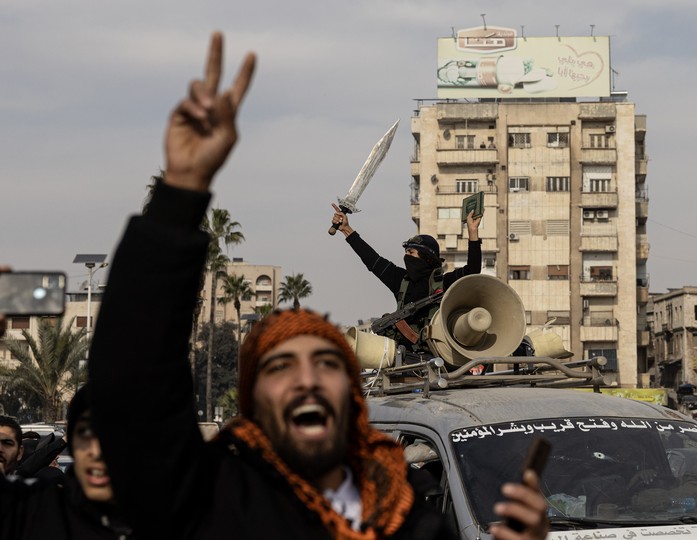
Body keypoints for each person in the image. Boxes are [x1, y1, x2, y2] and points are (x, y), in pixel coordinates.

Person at [87, 32, 547, 540]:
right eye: (282, 367)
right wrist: (180, 196)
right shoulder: (214, 502)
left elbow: (475, 279)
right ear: (255, 402)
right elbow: (131, 382)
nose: (306, 383)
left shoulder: (409, 514)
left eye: (325, 365)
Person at [331, 200, 482, 357]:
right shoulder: (400, 280)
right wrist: (347, 230)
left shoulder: (443, 282)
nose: (406, 257)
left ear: (427, 258)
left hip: (438, 355)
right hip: (405, 357)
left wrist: (472, 232)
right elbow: (372, 260)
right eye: (406, 252)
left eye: (411, 253)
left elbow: (472, 270)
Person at [0, 385, 134, 539]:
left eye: (112, 435)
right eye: (84, 432)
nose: (96, 452)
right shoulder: (36, 508)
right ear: (72, 441)